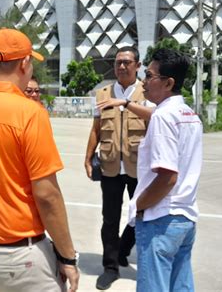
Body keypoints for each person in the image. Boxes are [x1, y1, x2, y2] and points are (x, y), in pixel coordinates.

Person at [0, 28, 80, 292]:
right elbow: (47, 195)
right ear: (24, 64)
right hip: (18, 260)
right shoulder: (29, 113)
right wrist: (67, 256)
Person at [128, 49, 202, 292]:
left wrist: (138, 205)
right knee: (180, 286)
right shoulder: (190, 115)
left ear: (168, 83)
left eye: (149, 76)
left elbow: (167, 177)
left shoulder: (163, 116)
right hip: (186, 218)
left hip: (161, 218)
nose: (143, 82)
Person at [84, 46, 153, 290]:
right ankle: (110, 267)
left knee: (142, 216)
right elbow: (96, 128)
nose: (121, 66)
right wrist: (87, 156)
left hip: (140, 168)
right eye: (118, 62)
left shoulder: (148, 91)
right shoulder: (103, 93)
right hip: (111, 165)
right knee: (109, 219)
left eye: (126, 62)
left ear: (137, 65)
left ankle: (126, 249)